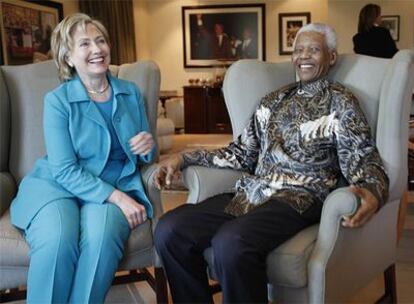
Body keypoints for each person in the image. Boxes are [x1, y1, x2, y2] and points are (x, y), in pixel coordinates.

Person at [154, 23, 389, 303]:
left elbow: (361, 156)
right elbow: (240, 153)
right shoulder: (272, 101)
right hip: (253, 193)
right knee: (170, 229)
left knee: (231, 242)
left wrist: (372, 189)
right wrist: (183, 157)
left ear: (331, 57)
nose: (303, 56)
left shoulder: (341, 102)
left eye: (313, 50)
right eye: (298, 50)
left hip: (301, 196)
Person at [10, 13, 155, 303]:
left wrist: (148, 145)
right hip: (58, 186)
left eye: (100, 41)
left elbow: (144, 155)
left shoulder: (130, 93)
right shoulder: (57, 100)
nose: (97, 49)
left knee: (102, 239)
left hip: (115, 182)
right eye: (85, 44)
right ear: (68, 57)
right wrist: (117, 197)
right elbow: (64, 170)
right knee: (57, 239)